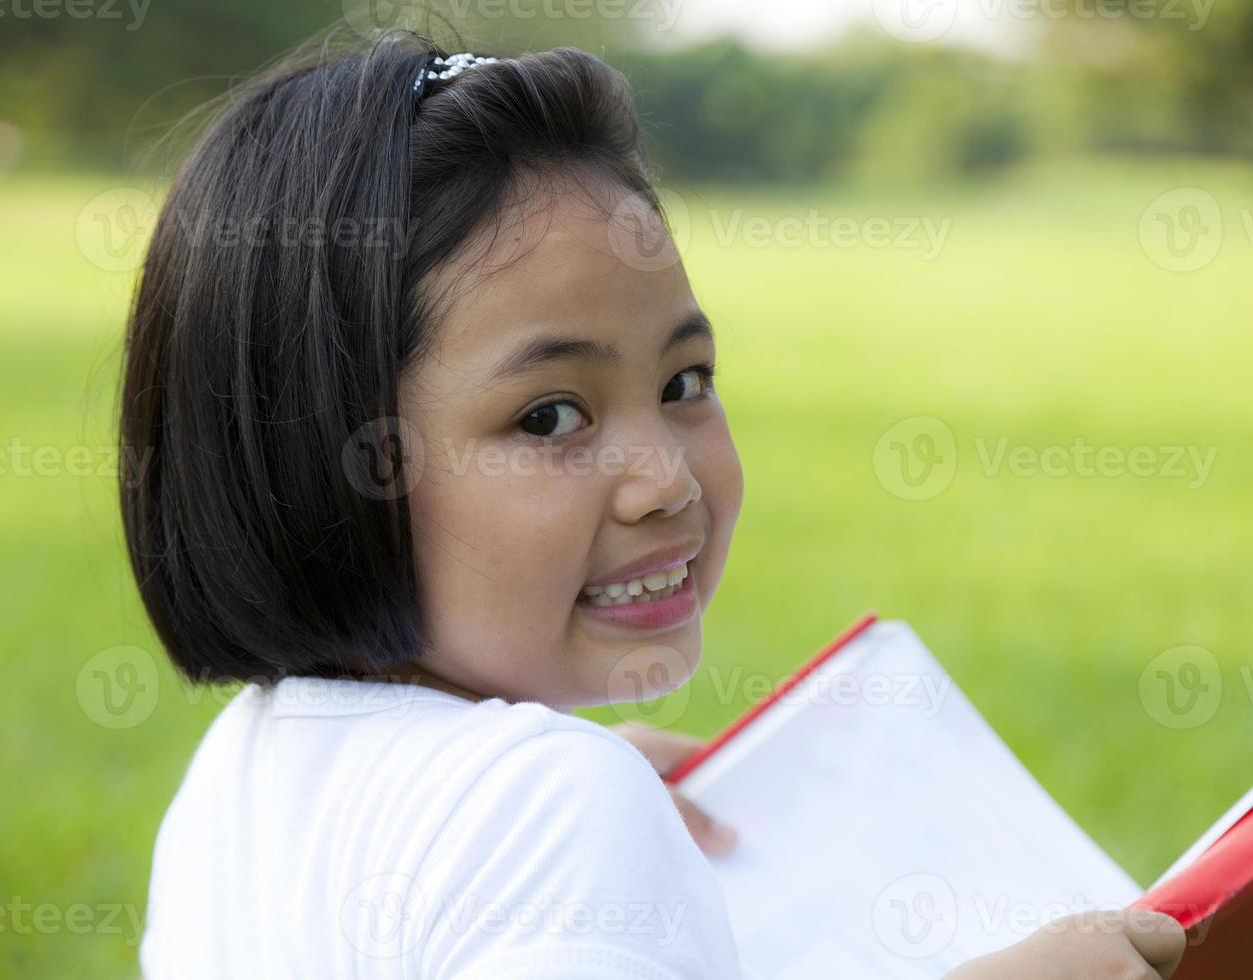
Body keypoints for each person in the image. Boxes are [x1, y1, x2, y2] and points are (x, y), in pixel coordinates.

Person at [120, 27, 1186, 979]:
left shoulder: (233, 788)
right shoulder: (560, 806)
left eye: (685, 382)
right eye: (547, 416)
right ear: (318, 461)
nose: (668, 478)